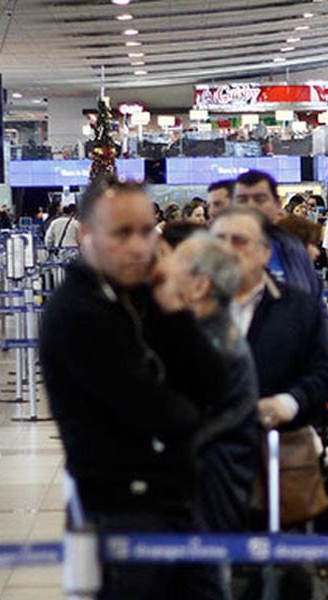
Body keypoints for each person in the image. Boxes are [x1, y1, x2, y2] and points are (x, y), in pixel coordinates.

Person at [40, 176, 228, 599]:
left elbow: (213, 380)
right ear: (87, 234)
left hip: (175, 499)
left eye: (146, 231)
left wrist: (174, 307)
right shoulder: (78, 313)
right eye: (122, 233)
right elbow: (157, 412)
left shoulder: (141, 297)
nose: (139, 246)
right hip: (117, 510)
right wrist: (191, 415)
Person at [156, 231, 260, 535]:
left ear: (199, 286)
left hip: (207, 489)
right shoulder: (203, 334)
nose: (163, 269)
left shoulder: (210, 347)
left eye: (175, 262)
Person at [210, 207, 328, 435]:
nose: (227, 250)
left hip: (279, 444)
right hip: (206, 451)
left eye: (239, 241)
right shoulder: (189, 307)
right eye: (219, 241)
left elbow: (321, 374)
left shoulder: (298, 308)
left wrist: (289, 403)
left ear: (265, 252)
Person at [233, 170, 321, 298]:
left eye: (259, 199)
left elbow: (314, 302)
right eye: (242, 200)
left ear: (277, 204)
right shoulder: (218, 252)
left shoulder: (293, 249)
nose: (250, 206)